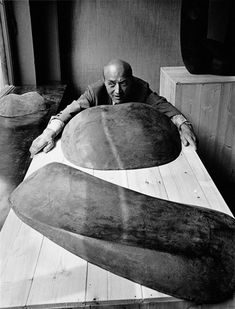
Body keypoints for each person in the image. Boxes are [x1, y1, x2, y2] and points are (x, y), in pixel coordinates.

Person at [29, 59, 197, 157]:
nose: (117, 91)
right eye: (111, 84)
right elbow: (71, 110)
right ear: (104, 81)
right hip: (100, 145)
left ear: (131, 80)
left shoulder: (141, 88)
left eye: (123, 84)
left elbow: (163, 105)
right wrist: (49, 132)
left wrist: (184, 125)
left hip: (134, 145)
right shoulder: (94, 91)